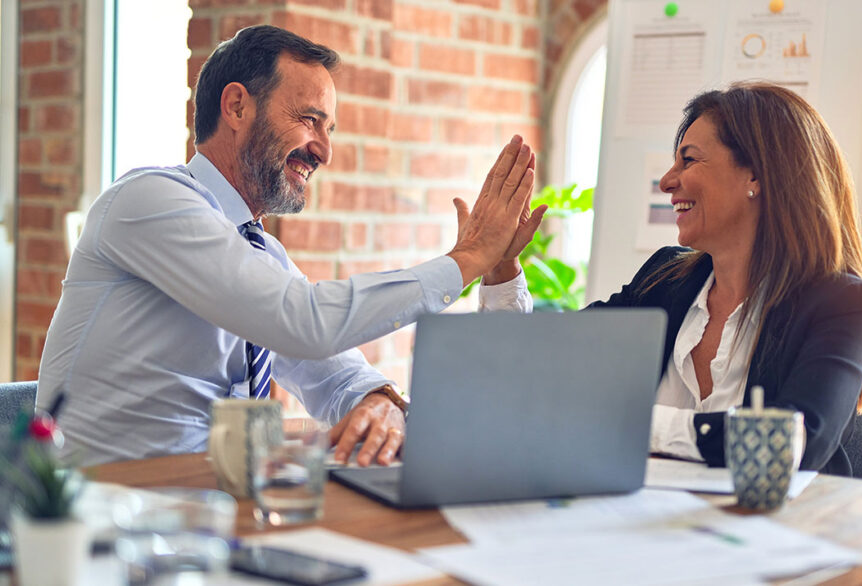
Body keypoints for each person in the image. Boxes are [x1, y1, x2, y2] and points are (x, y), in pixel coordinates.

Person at [36, 25, 546, 468]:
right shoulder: (147, 201)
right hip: (100, 516)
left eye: (329, 128)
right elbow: (304, 322)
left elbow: (334, 371)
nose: (323, 149)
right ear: (237, 106)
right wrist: (465, 261)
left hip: (212, 508)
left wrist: (380, 400)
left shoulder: (261, 256)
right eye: (309, 119)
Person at [586, 82, 862, 475]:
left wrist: (639, 425)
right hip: (647, 525)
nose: (667, 181)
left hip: (775, 531)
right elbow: (560, 357)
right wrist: (502, 268)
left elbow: (792, 442)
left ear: (756, 176)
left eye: (689, 160)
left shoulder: (844, 306)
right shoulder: (665, 279)